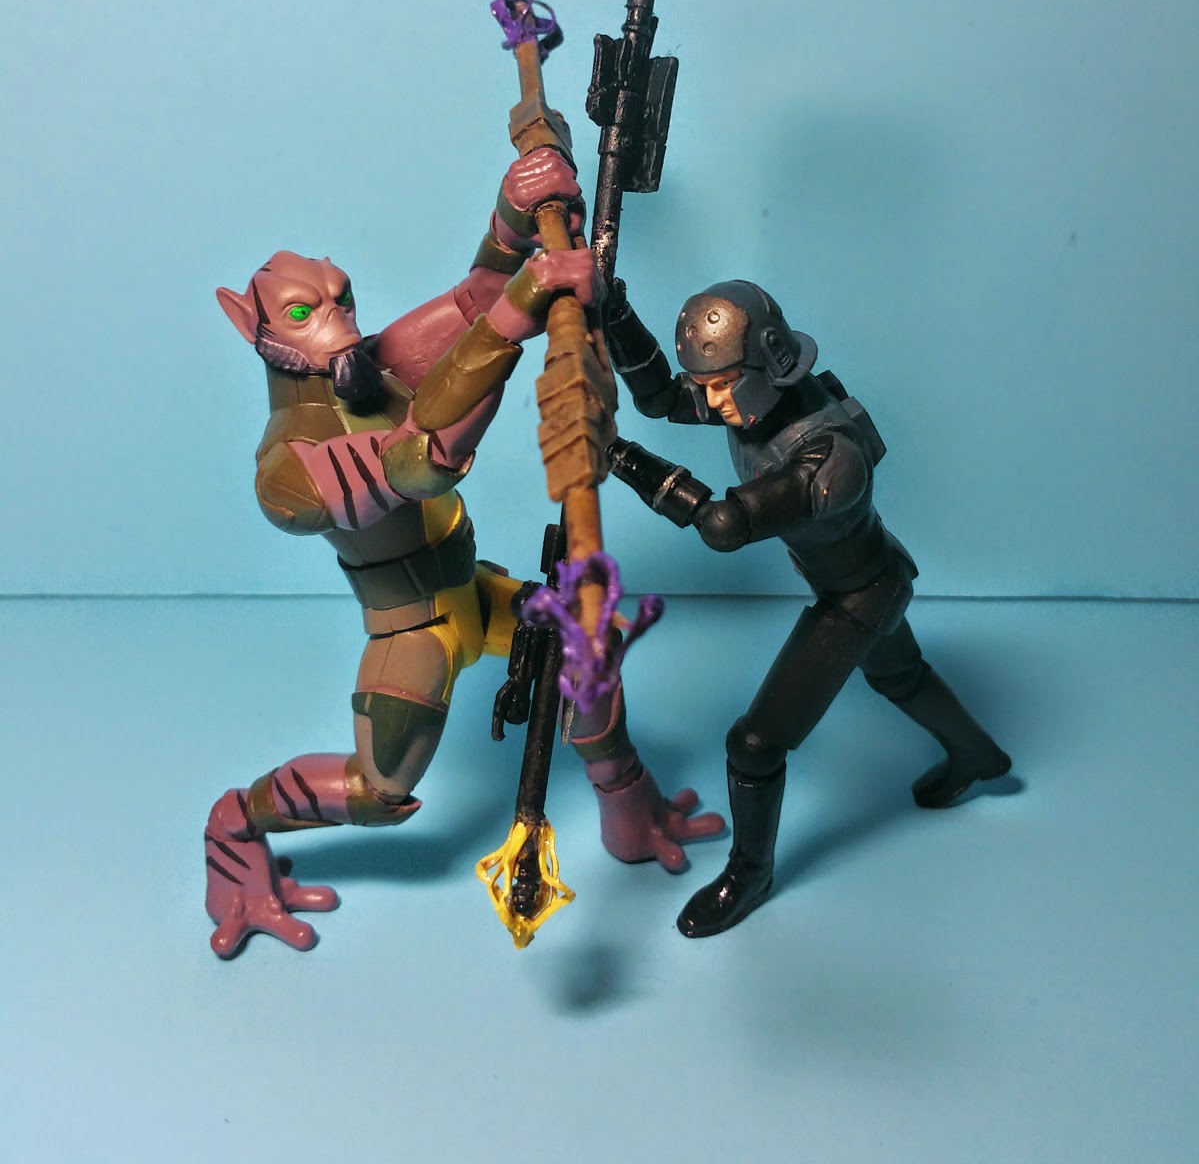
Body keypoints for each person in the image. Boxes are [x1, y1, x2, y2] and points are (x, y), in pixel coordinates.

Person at [203, 151, 720, 958]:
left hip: (470, 587)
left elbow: (474, 297)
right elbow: (422, 458)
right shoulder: (289, 468)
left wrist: (515, 207)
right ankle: (234, 826)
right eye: (304, 313)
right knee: (380, 790)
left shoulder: (371, 368)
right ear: (254, 327)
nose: (337, 319)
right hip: (412, 630)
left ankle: (631, 813)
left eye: (340, 297)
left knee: (589, 651)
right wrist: (514, 317)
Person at [605, 278, 1012, 939]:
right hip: (863, 578)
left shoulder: (829, 456)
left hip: (860, 594)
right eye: (705, 385)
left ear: (767, 364)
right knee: (899, 676)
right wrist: (615, 311)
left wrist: (625, 460)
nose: (711, 401)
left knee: (754, 745)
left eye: (722, 385)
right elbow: (658, 399)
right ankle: (980, 757)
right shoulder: (753, 397)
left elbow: (723, 526)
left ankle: (750, 872)